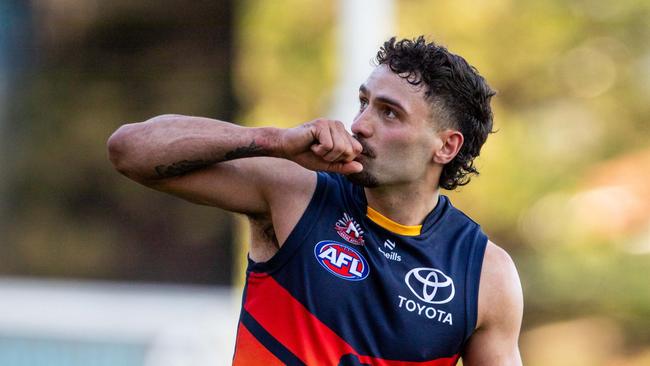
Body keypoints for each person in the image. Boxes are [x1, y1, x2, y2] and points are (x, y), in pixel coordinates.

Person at [107, 36, 523, 366]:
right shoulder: (297, 190)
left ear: (447, 146)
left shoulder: (485, 274)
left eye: (389, 114)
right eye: (364, 103)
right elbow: (129, 150)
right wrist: (273, 141)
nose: (360, 125)